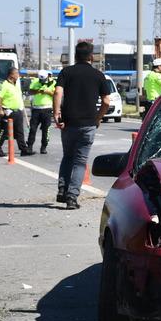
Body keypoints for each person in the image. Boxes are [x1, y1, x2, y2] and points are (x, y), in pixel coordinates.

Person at [53, 41, 112, 210]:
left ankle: (62, 190)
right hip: (88, 124)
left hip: (68, 123)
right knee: (80, 162)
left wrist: (56, 112)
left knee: (67, 157)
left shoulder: (66, 72)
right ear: (91, 57)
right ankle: (72, 198)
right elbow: (106, 101)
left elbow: (58, 92)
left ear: (76, 56)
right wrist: (98, 118)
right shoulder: (98, 75)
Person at [0, 67, 30, 157]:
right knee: (3, 131)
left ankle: (23, 149)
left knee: (20, 131)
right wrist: (0, 109)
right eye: (16, 73)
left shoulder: (15, 84)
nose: (18, 75)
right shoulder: (4, 84)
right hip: (8, 111)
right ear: (11, 75)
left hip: (17, 111)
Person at [27, 69, 57, 154]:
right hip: (36, 109)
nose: (42, 81)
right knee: (32, 129)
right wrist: (39, 91)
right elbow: (30, 91)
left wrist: (48, 92)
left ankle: (44, 147)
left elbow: (56, 94)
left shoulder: (53, 83)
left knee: (46, 130)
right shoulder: (35, 81)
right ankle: (29, 146)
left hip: (47, 109)